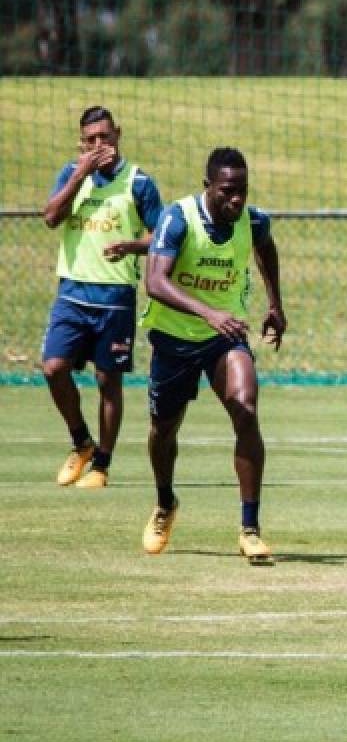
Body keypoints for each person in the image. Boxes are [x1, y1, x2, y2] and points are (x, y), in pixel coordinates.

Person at [139, 147, 286, 564]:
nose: (236, 200)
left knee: (245, 408)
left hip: (226, 338)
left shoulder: (253, 220)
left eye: (242, 190)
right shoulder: (178, 218)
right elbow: (154, 281)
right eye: (227, 191)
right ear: (208, 187)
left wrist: (275, 303)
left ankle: (250, 528)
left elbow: (266, 248)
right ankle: (165, 503)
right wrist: (208, 312)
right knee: (163, 430)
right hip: (173, 339)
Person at [41, 106, 164, 489]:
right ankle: (81, 443)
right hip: (72, 294)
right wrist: (80, 173)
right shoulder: (72, 175)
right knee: (53, 368)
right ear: (82, 142)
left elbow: (163, 239)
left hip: (115, 298)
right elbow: (50, 217)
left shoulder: (138, 182)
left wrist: (131, 245)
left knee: (107, 381)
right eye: (91, 139)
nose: (99, 145)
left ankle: (102, 466)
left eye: (105, 137)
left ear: (118, 136)